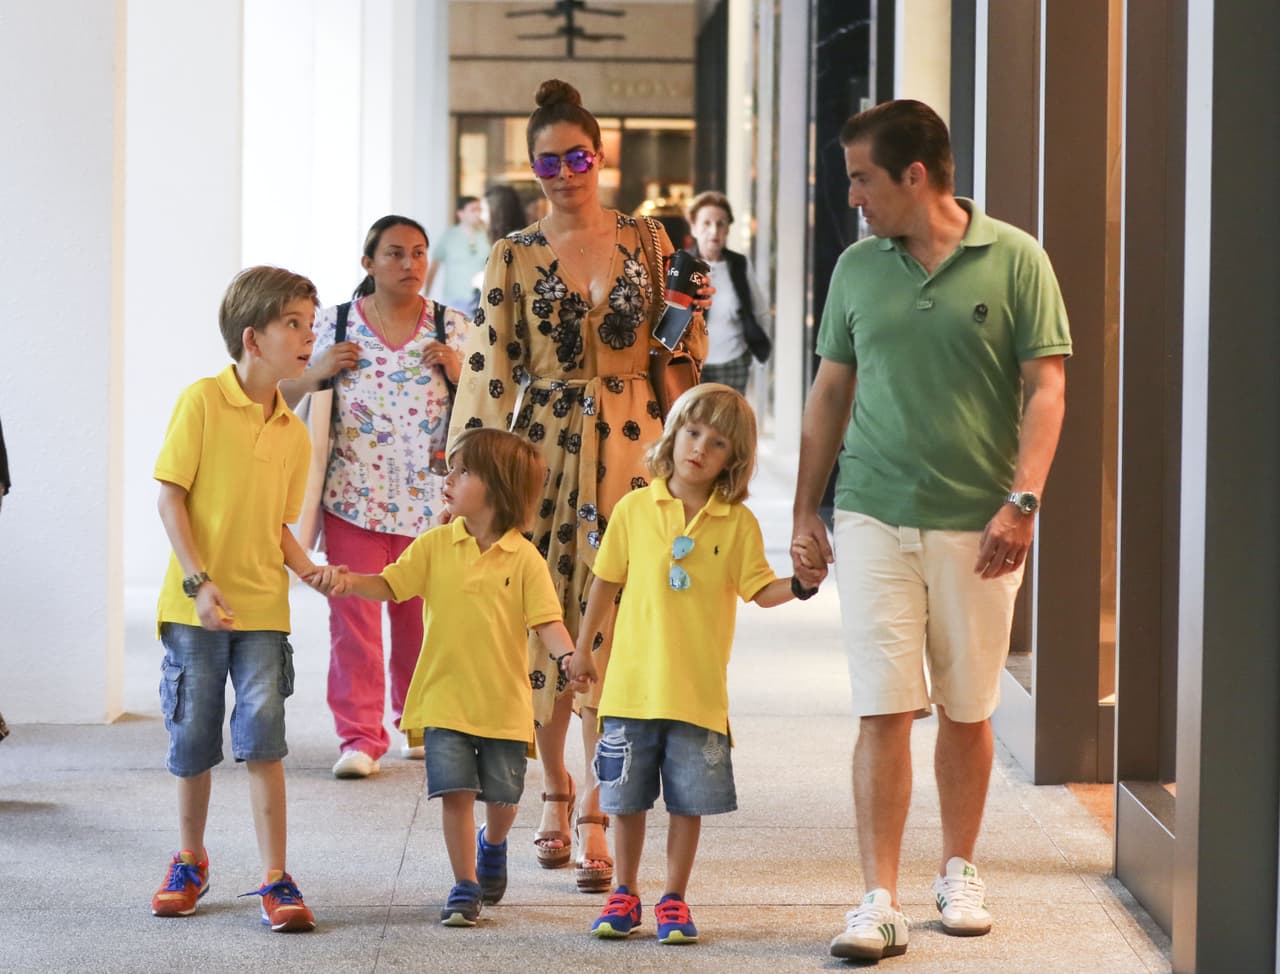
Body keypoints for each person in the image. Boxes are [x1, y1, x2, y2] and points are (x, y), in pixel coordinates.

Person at [790, 100, 1071, 963]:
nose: (852, 198)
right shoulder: (856, 268)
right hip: (872, 510)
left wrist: (1022, 503)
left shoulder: (1016, 258)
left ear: (915, 176)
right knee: (883, 705)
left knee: (967, 705)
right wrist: (805, 509)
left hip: (979, 523)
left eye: (862, 179)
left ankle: (958, 869)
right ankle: (877, 899)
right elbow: (831, 393)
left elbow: (1047, 389)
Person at [448, 78, 710, 895]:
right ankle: (554, 787)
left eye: (578, 157)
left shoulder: (648, 239)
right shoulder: (512, 252)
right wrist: (468, 475)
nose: (564, 173)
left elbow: (677, 350)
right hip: (544, 451)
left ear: (601, 157)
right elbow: (490, 365)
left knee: (621, 623)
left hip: (639, 447)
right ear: (530, 168)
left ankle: (598, 799)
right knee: (547, 621)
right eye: (547, 161)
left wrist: (694, 315)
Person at [567, 383, 827, 943]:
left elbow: (760, 590)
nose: (700, 449)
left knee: (688, 805)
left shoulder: (737, 523)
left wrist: (802, 586)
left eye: (717, 443)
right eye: (692, 432)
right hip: (631, 690)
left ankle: (674, 898)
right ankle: (624, 892)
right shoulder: (635, 509)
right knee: (625, 800)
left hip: (698, 695)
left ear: (734, 459)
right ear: (673, 434)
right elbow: (604, 583)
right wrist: (584, 648)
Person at [321, 429, 579, 927]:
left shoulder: (525, 558)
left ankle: (493, 843)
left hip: (503, 705)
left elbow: (547, 621)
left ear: (498, 487)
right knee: (455, 794)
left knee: (503, 798)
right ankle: (464, 884)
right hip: (443, 698)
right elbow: (392, 586)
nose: (448, 478)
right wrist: (350, 582)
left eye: (462, 471)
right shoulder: (435, 544)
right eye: (450, 469)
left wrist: (567, 658)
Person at [151, 265, 336, 932]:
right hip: (193, 610)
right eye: (294, 324)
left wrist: (310, 570)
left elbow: (279, 527)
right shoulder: (201, 401)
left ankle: (275, 877)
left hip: (263, 612)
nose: (309, 337)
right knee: (193, 738)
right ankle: (190, 860)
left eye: (311, 325)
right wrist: (199, 583)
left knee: (264, 741)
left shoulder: (293, 431)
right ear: (254, 338)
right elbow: (170, 497)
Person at [281, 215, 468, 780]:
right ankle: (360, 738)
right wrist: (316, 371)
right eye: (394, 253)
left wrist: (458, 370)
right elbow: (279, 393)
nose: (410, 264)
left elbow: (490, 402)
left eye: (418, 252)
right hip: (352, 498)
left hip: (430, 504)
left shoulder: (452, 326)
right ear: (368, 263)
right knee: (353, 620)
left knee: (420, 620)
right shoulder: (334, 325)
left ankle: (416, 721)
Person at [686, 192, 773, 394]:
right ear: (694, 228)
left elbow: (760, 312)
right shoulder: (684, 266)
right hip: (692, 363)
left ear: (727, 229)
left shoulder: (739, 264)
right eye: (706, 223)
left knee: (729, 415)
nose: (714, 231)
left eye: (721, 224)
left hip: (734, 361)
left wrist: (756, 350)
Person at [426, 195, 489, 317]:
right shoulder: (449, 236)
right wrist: (426, 296)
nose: (478, 213)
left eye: (479, 209)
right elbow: (433, 268)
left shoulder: (487, 235)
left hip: (481, 300)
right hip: (454, 302)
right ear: (461, 213)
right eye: (473, 209)